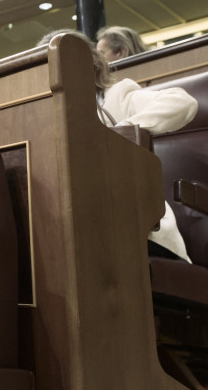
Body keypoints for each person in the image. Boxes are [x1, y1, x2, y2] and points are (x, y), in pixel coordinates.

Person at [40, 30, 197, 261]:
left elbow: (182, 102)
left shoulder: (117, 94)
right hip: (80, 225)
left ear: (90, 63)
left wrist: (117, 133)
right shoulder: (45, 118)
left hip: (139, 228)